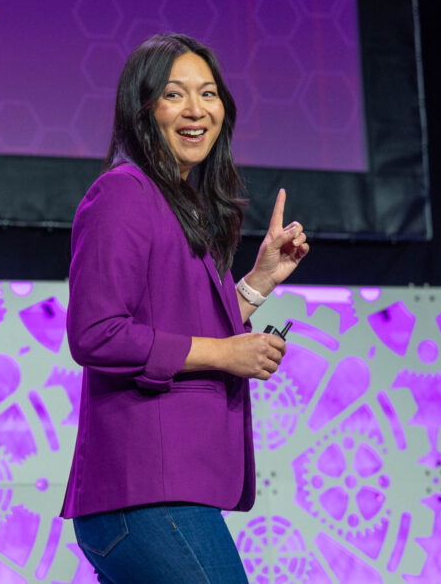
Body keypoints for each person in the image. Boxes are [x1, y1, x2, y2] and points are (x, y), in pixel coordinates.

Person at [61, 33, 309, 583]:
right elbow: (96, 334)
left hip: (164, 494)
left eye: (209, 93)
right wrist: (225, 353)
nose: (197, 110)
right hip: (147, 494)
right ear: (142, 110)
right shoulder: (123, 193)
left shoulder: (180, 204)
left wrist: (258, 283)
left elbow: (180, 324)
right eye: (175, 95)